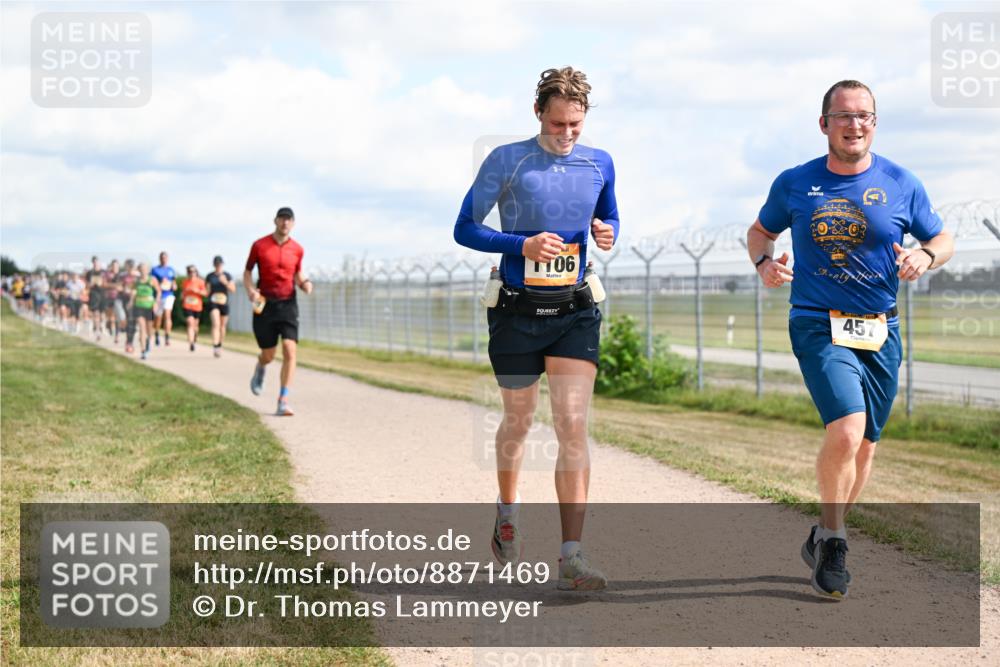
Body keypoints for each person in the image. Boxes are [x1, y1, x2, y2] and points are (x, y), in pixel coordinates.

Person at [746, 80, 954, 599]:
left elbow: (942, 237)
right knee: (845, 428)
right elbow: (759, 232)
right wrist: (764, 263)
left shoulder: (902, 182)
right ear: (824, 125)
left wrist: (926, 256)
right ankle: (837, 540)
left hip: (881, 328)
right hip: (818, 321)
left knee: (865, 446)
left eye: (864, 115)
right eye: (843, 116)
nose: (854, 124)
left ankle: (823, 531)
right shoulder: (796, 182)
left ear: (874, 123)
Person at [454, 67, 620, 591]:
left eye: (575, 124)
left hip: (573, 310)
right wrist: (519, 246)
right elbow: (465, 228)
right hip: (515, 311)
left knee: (572, 424)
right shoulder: (508, 160)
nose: (566, 134)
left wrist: (607, 232)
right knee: (519, 422)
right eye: (556, 124)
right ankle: (507, 511)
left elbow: (610, 218)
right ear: (537, 114)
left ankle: (573, 553)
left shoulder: (600, 163)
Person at [244, 207, 313, 416]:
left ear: (293, 224)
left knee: (290, 350)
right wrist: (250, 290)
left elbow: (297, 273)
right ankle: (261, 366)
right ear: (275, 221)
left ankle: (283, 399)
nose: (285, 223)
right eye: (282, 219)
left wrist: (305, 283)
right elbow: (247, 271)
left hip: (288, 304)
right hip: (264, 304)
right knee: (269, 354)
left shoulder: (298, 249)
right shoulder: (260, 245)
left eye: (289, 220)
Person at [205, 255, 236, 358]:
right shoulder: (210, 276)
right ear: (214, 264)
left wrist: (225, 282)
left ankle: (220, 344)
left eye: (220, 264)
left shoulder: (227, 275)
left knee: (222, 326)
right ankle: (215, 346)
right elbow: (207, 291)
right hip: (213, 302)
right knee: (216, 324)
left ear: (222, 264)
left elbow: (233, 289)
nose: (218, 265)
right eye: (216, 264)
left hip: (224, 303)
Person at [131, 263, 161, 360]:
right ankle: (143, 351)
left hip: (149, 306)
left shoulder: (152, 280)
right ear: (139, 270)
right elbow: (134, 292)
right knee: (141, 327)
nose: (143, 271)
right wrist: (131, 302)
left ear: (148, 270)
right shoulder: (136, 281)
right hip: (139, 306)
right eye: (141, 269)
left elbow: (159, 292)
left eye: (145, 269)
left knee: (149, 329)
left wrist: (156, 303)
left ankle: (148, 341)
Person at [151, 252, 177, 347]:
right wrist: (159, 283)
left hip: (169, 295)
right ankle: (157, 333)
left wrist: (174, 285)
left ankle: (167, 336)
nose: (164, 259)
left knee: (167, 315)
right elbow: (152, 282)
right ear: (159, 258)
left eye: (165, 257)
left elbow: (174, 283)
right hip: (159, 296)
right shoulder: (155, 270)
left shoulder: (171, 270)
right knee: (158, 317)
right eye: (162, 257)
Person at [181, 265, 208, 352]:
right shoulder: (185, 282)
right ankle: (191, 343)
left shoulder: (201, 282)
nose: (192, 273)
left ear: (196, 272)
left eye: (193, 271)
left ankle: (195, 337)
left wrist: (197, 291)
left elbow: (205, 293)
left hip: (197, 306)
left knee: (195, 326)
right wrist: (185, 292)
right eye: (190, 271)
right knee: (190, 323)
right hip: (187, 305)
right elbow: (182, 295)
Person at [84, 257, 106, 340]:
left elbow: (107, 283)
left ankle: (102, 327)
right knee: (96, 313)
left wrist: (102, 283)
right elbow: (86, 285)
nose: (95, 264)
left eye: (97, 262)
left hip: (102, 294)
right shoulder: (89, 273)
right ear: (92, 263)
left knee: (102, 313)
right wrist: (91, 284)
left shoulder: (103, 272)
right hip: (93, 294)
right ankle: (97, 331)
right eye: (94, 262)